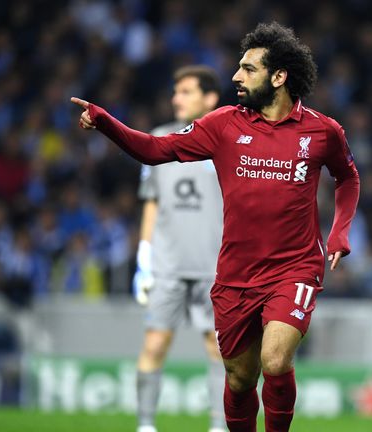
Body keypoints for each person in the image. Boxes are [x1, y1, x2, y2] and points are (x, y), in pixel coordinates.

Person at [72, 22, 360, 432]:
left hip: (294, 268)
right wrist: (104, 122)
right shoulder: (223, 125)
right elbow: (155, 150)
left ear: (279, 77)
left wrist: (340, 231)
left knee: (275, 361)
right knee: (240, 379)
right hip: (236, 274)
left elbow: (348, 177)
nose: (236, 77)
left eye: (248, 69)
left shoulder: (322, 131)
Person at [133, 65, 226, 432]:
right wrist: (144, 257)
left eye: (186, 91)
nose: (177, 98)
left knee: (221, 350)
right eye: (176, 91)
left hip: (215, 267)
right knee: (155, 343)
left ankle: (220, 426)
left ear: (210, 98)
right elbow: (151, 202)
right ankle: (145, 426)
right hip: (168, 265)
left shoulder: (229, 141)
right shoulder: (157, 138)